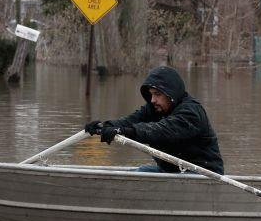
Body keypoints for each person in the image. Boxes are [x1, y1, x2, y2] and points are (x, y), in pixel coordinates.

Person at [84, 66, 224, 174]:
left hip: (203, 175)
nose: (153, 100)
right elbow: (129, 121)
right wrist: (105, 126)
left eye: (157, 94)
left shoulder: (191, 112)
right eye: (151, 95)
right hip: (171, 172)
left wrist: (125, 132)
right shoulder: (154, 108)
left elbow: (161, 131)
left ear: (171, 94)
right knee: (137, 173)